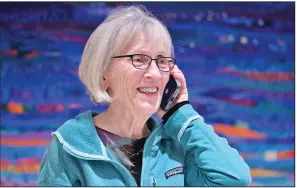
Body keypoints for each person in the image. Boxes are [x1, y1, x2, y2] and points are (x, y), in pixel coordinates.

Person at [37, 5, 251, 186]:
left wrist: (180, 113)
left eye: (162, 61)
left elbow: (235, 178)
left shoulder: (176, 146)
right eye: (139, 59)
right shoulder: (70, 146)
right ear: (104, 73)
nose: (155, 73)